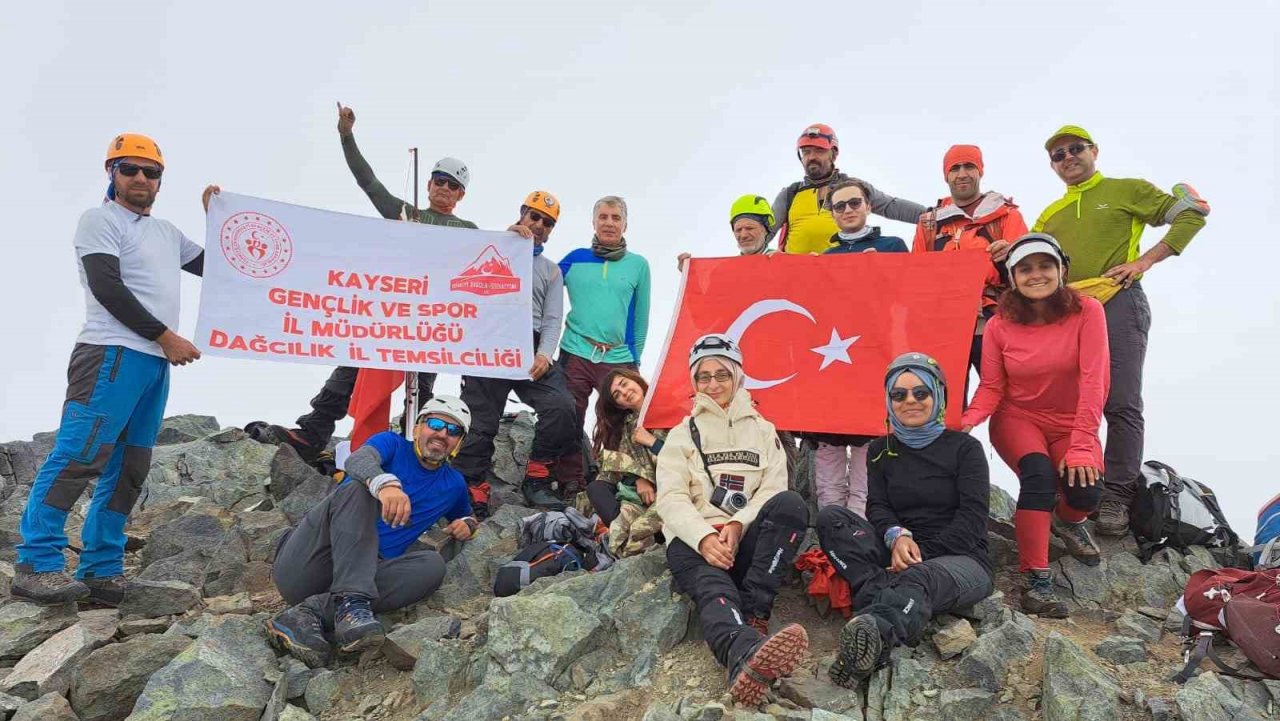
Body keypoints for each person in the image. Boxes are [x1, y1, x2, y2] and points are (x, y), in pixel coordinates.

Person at [12, 134, 215, 605]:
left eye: (151, 171)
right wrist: (165, 336)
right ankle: (36, 561)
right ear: (112, 173)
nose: (141, 178)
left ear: (161, 180)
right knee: (79, 455)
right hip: (109, 354)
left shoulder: (167, 233)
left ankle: (102, 568)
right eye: (130, 169)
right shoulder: (100, 221)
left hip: (152, 364)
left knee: (129, 468)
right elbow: (108, 286)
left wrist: (218, 219)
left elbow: (222, 267)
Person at [245, 103, 477, 462]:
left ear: (461, 195)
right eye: (440, 181)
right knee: (349, 371)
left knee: (421, 387)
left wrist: (520, 235)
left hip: (432, 323)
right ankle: (312, 433)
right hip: (388, 314)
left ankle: (409, 449)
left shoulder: (469, 232)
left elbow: (492, 262)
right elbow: (368, 182)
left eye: (454, 185)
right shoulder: (406, 213)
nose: (445, 188)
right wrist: (346, 135)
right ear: (429, 183)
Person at [1033, 125, 1208, 536]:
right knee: (1075, 405)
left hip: (1118, 303)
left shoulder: (1127, 189)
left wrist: (1143, 262)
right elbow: (1034, 265)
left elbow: (1191, 214)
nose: (1068, 158)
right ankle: (1079, 491)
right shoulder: (1048, 215)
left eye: (1075, 149)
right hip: (1069, 313)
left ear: (1094, 150)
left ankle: (1116, 496)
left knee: (1121, 401)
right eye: (1058, 155)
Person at [817, 353, 993, 687]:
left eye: (920, 392)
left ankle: (876, 635)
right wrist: (896, 537)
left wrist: (916, 554)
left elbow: (972, 520)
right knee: (831, 520)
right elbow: (877, 508)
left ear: (938, 395)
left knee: (919, 578)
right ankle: (882, 609)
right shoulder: (882, 449)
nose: (910, 401)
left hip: (962, 559)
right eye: (899, 394)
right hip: (899, 550)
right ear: (888, 400)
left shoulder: (965, 448)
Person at [266, 396, 478, 668]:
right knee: (359, 488)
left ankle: (311, 613)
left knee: (432, 565)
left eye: (453, 430)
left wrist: (467, 524)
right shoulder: (391, 444)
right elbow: (359, 460)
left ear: (459, 442)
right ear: (417, 428)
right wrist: (384, 484)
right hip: (309, 562)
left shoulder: (453, 484)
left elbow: (466, 514)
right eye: (435, 423)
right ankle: (351, 602)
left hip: (350, 581)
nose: (442, 434)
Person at [655, 334, 809, 706]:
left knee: (792, 505)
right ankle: (743, 654)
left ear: (738, 376)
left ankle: (755, 611)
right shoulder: (680, 435)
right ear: (694, 382)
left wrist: (738, 525)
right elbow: (671, 497)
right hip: (695, 543)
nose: (713, 384)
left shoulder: (763, 429)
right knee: (714, 590)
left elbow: (774, 488)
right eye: (703, 376)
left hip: (747, 539)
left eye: (721, 374)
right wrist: (705, 537)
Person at [960, 234, 1108, 617]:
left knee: (1085, 493)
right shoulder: (999, 326)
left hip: (1072, 422)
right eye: (1024, 268)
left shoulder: (1088, 311)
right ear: (1011, 277)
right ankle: (1036, 581)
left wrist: (1080, 444)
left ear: (1062, 270)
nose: (1036, 274)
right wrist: (966, 422)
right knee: (1039, 477)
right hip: (1018, 419)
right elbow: (992, 387)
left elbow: (1095, 381)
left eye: (1045, 265)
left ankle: (1066, 521)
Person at [452, 191, 578, 515]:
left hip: (532, 346)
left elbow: (553, 319)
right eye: (534, 216)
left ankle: (537, 474)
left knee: (562, 405)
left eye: (547, 222)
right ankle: (470, 483)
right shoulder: (491, 248)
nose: (538, 225)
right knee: (481, 417)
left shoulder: (551, 270)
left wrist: (544, 354)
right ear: (522, 214)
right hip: (491, 341)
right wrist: (507, 241)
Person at [810, 179, 906, 514]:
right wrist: (802, 272)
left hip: (877, 358)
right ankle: (831, 526)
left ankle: (864, 525)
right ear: (831, 213)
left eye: (855, 203)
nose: (848, 210)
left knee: (871, 439)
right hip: (833, 361)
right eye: (840, 206)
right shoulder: (825, 257)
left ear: (868, 206)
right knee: (830, 442)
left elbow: (910, 298)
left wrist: (881, 272)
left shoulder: (893, 245)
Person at [556, 196, 651, 492]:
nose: (609, 223)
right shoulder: (575, 258)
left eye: (615, 217)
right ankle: (570, 478)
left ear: (625, 224)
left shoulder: (638, 265)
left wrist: (634, 359)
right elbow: (539, 280)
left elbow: (641, 315)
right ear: (594, 222)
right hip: (576, 348)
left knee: (621, 418)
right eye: (604, 217)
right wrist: (521, 241)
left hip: (619, 354)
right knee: (570, 412)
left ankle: (618, 477)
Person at [912, 145, 1028, 382]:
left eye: (969, 166)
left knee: (1007, 395)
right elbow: (916, 275)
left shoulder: (1006, 215)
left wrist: (1008, 257)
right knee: (946, 398)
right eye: (954, 168)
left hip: (995, 319)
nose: (962, 173)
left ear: (980, 171)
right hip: (944, 324)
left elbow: (1027, 270)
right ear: (946, 176)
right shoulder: (929, 223)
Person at [772, 124, 926, 255]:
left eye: (819, 151)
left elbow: (890, 206)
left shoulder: (852, 188)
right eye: (806, 152)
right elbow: (763, 231)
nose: (812, 157)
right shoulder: (790, 194)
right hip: (797, 279)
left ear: (834, 153)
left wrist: (934, 215)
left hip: (840, 274)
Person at [582, 368, 665, 557]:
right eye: (617, 395)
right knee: (596, 488)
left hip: (676, 486)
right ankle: (630, 540)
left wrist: (652, 442)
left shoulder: (669, 408)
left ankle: (647, 537)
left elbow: (689, 456)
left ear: (636, 380)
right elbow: (621, 466)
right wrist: (638, 479)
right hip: (644, 496)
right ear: (618, 405)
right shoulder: (627, 427)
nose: (624, 393)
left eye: (624, 384)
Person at [676, 194, 776, 270]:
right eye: (738, 230)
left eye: (749, 228)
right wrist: (689, 274)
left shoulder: (782, 262)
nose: (743, 235)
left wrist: (783, 263)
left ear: (765, 230)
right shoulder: (726, 270)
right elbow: (709, 295)